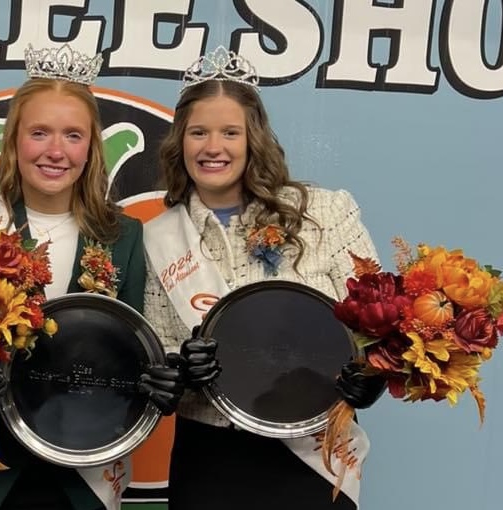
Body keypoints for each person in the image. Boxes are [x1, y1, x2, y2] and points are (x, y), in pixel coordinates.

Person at [0, 44, 184, 510]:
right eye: (40, 133)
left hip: (80, 474)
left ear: (90, 148)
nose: (56, 151)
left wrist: (160, 383)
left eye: (73, 135)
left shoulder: (123, 237)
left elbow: (134, 345)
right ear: (15, 141)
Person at [142, 47, 386, 510]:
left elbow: (376, 320)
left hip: (311, 453)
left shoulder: (324, 212)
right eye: (199, 133)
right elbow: (157, 353)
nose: (213, 147)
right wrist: (180, 373)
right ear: (181, 142)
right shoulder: (158, 239)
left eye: (230, 132)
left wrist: (370, 375)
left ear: (253, 139)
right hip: (210, 456)